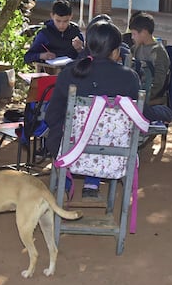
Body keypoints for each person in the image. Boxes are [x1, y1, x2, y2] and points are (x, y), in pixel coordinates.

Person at [44, 21, 140, 199]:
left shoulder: (70, 72)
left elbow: (53, 115)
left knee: (58, 130)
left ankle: (64, 183)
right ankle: (90, 184)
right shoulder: (129, 78)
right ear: (116, 51)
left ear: (88, 46)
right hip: (114, 157)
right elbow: (136, 119)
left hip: (70, 152)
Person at [128, 12, 172, 124]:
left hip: (152, 97)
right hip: (139, 93)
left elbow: (159, 83)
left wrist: (142, 97)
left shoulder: (158, 52)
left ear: (144, 32)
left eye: (134, 34)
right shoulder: (137, 48)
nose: (132, 37)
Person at [24, 0, 84, 64]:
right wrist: (41, 56)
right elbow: (27, 57)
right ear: (52, 16)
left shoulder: (75, 31)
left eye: (65, 21)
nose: (61, 25)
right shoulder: (44, 32)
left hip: (72, 70)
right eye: (58, 21)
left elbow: (88, 56)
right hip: (50, 71)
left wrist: (79, 49)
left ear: (71, 16)